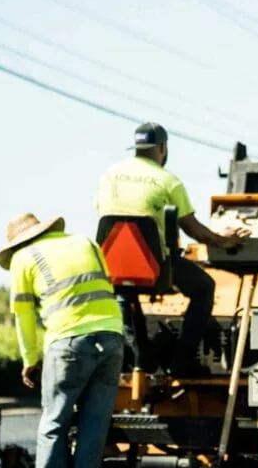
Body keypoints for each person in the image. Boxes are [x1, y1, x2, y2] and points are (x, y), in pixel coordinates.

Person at [0, 212, 125, 468]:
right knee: (94, 429)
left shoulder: (23, 258)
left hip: (68, 343)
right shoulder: (86, 242)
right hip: (111, 339)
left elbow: (24, 317)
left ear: (17, 244)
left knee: (54, 423)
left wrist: (30, 361)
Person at [95, 123, 249, 375]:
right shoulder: (168, 181)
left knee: (124, 293)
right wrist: (225, 241)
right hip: (156, 267)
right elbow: (195, 231)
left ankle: (140, 359)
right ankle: (183, 360)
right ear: (163, 149)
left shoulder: (109, 176)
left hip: (113, 268)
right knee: (204, 289)